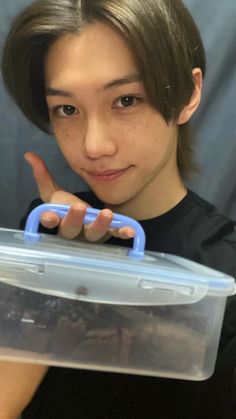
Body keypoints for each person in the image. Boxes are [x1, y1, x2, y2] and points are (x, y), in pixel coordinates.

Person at [1, 0, 236, 418]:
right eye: (67, 109)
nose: (94, 146)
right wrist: (61, 269)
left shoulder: (222, 265)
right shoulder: (48, 231)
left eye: (126, 100)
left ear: (188, 93)